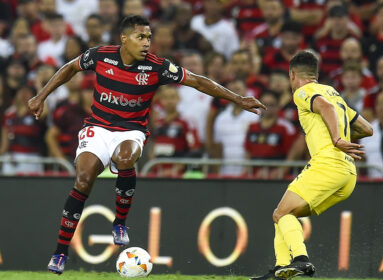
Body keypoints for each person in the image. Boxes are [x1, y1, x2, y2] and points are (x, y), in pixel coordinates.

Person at [27, 15, 265, 275]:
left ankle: (120, 223)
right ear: (124, 39)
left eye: (149, 37)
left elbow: (197, 80)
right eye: (141, 37)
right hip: (98, 127)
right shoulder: (101, 56)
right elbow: (70, 67)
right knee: (83, 181)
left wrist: (238, 99)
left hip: (132, 130)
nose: (147, 43)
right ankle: (60, 252)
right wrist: (41, 96)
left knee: (125, 158)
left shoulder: (157, 67)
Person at [251, 50, 373, 280]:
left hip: (327, 164)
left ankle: (301, 260)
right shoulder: (334, 94)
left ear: (292, 74)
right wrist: (343, 134)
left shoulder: (303, 91)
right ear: (316, 73)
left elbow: (325, 108)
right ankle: (281, 268)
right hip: (347, 174)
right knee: (284, 215)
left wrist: (337, 139)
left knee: (280, 213)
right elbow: (367, 129)